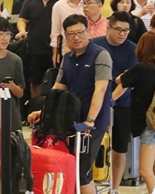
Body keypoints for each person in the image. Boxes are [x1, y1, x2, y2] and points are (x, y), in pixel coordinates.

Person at [29, 14, 112, 194]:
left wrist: (90, 120)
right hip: (70, 122)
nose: (76, 37)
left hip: (92, 124)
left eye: (80, 32)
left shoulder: (100, 55)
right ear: (65, 36)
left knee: (81, 172)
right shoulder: (67, 57)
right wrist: (43, 112)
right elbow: (58, 88)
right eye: (71, 33)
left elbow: (101, 90)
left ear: (87, 31)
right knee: (70, 168)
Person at [113, 32, 155, 193]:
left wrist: (123, 74)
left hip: (148, 125)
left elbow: (120, 81)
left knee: (145, 170)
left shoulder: (141, 68)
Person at [91, 11, 137, 193]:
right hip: (96, 101)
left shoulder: (132, 49)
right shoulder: (95, 45)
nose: (122, 34)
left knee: (119, 148)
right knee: (94, 144)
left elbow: (127, 80)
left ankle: (115, 188)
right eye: (118, 29)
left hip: (122, 103)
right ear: (108, 27)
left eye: (126, 30)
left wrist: (111, 99)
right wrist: (100, 100)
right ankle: (91, 183)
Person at [17, 0, 62, 97]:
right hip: (34, 49)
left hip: (54, 50)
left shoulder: (60, 2)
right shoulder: (30, 0)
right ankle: (34, 108)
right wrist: (22, 30)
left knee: (54, 82)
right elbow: (22, 19)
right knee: (35, 82)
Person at [50, 0, 85, 65]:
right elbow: (55, 32)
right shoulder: (59, 6)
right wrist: (55, 52)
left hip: (87, 48)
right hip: (67, 49)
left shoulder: (88, 3)